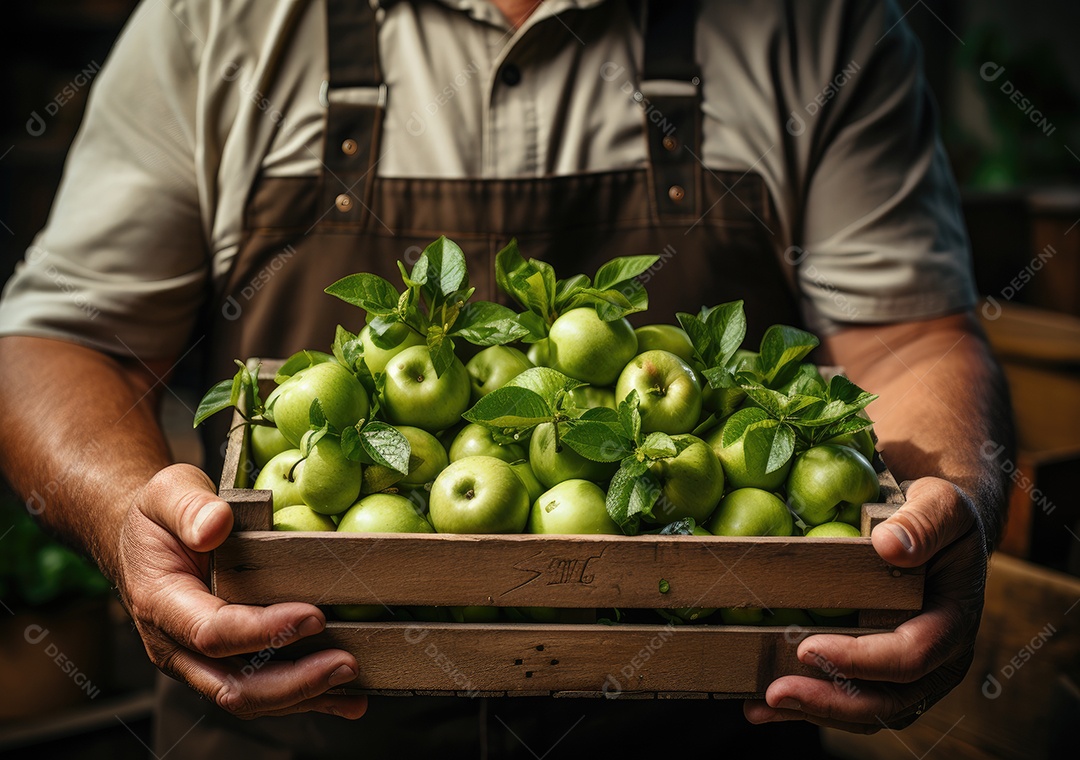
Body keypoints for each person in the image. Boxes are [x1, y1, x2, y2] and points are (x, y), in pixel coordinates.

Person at [0, 0, 1011, 756]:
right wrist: (124, 509)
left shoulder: (820, 23)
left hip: (699, 723)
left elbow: (909, 342)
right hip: (290, 731)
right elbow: (56, 338)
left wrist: (950, 497)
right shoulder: (217, 19)